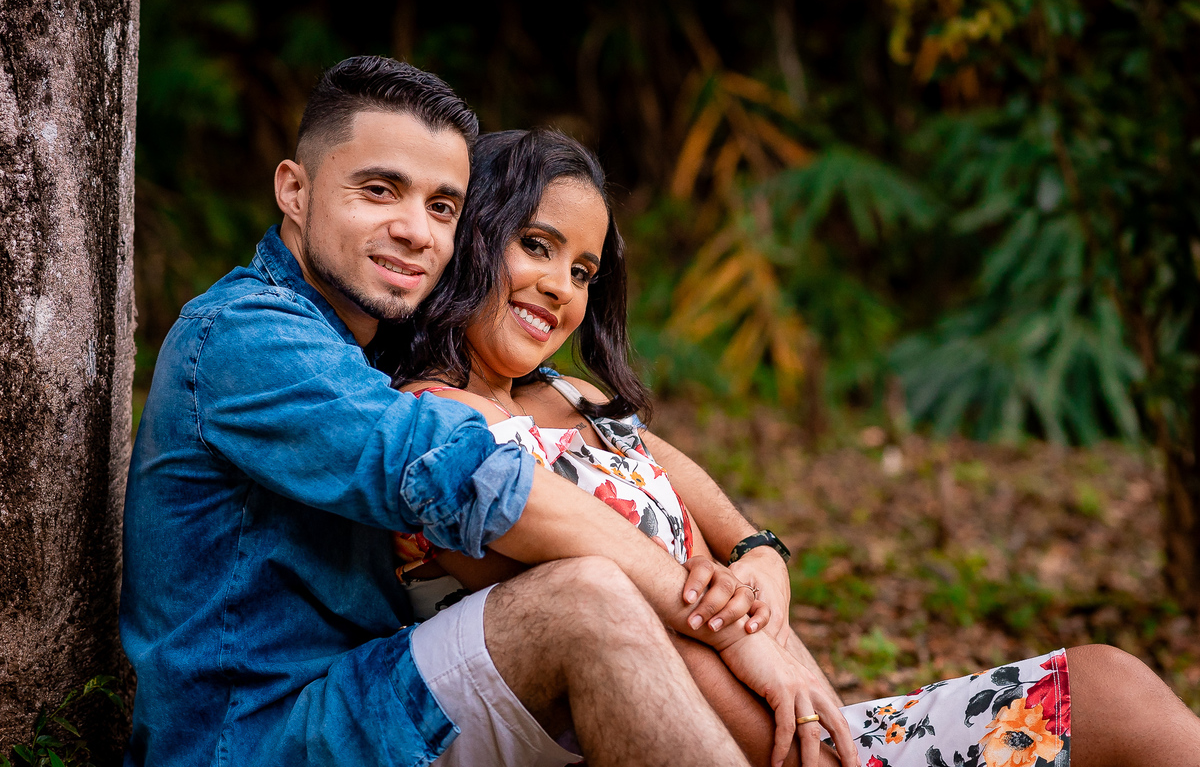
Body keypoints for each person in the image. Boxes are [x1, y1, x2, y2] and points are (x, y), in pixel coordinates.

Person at [120, 55, 847, 767]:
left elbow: (637, 456)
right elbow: (471, 477)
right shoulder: (250, 334)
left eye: (441, 207)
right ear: (294, 190)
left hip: (366, 692)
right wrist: (724, 627)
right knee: (584, 598)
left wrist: (756, 555)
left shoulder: (367, 350)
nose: (416, 230)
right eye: (379, 190)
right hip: (255, 736)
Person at [391, 127, 1200, 767]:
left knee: (1109, 681)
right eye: (537, 245)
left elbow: (732, 534)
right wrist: (746, 637)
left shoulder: (575, 397)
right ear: (472, 235)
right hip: (706, 729)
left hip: (797, 708)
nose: (561, 286)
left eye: (583, 270)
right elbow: (597, 605)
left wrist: (761, 565)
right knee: (1110, 700)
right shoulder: (432, 426)